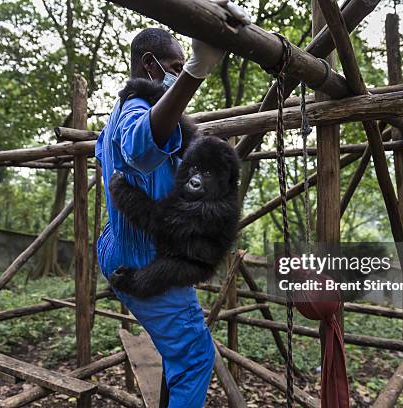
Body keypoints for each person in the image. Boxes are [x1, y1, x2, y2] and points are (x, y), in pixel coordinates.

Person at [95, 5, 250, 407]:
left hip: (122, 247)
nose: (178, 72)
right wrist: (194, 72)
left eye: (183, 66)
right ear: (150, 65)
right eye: (173, 66)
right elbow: (143, 148)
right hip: (147, 256)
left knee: (178, 353)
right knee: (196, 358)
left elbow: (179, 136)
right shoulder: (134, 113)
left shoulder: (124, 112)